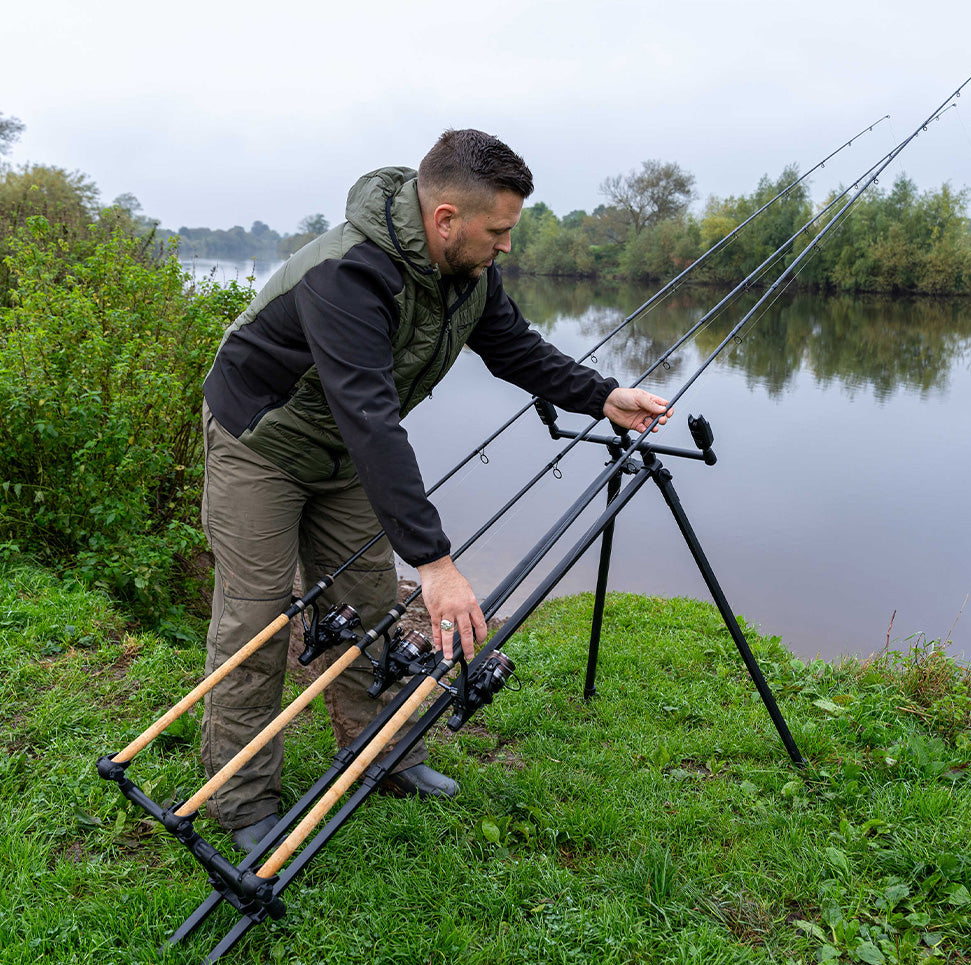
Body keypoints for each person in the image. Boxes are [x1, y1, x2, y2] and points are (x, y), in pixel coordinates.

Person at [200, 128, 672, 850]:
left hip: (345, 452)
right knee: (257, 620)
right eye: (499, 230)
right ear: (446, 218)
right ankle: (243, 800)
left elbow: (515, 348)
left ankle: (381, 755)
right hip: (260, 442)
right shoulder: (348, 274)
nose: (507, 245)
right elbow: (371, 418)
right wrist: (436, 561)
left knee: (365, 607)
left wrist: (603, 395)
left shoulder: (469, 272)